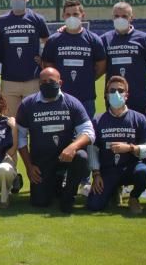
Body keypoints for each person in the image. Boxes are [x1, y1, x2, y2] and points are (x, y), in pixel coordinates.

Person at [15, 67, 94, 212]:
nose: (47, 84)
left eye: (51, 81)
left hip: (67, 157)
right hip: (42, 160)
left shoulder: (72, 103)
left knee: (81, 156)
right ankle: (56, 185)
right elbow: (20, 137)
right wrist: (29, 166)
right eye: (43, 81)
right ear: (38, 84)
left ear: (60, 82)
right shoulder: (28, 104)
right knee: (40, 202)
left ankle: (68, 197)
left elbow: (88, 132)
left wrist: (73, 147)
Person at [88, 76, 146, 214]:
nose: (116, 93)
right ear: (106, 95)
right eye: (112, 91)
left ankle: (134, 197)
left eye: (120, 90)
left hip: (131, 168)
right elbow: (93, 148)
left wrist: (131, 148)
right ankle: (113, 190)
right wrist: (96, 174)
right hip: (108, 170)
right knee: (94, 205)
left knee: (145, 173)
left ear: (127, 95)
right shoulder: (98, 120)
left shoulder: (138, 118)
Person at [0, 0, 50, 118]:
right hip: (9, 81)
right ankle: (14, 141)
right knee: (10, 121)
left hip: (32, 80)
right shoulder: (1, 21)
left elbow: (47, 41)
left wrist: (43, 59)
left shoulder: (37, 19)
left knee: (34, 119)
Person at [40, 0, 106, 117]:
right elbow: (48, 65)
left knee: (86, 132)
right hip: (60, 96)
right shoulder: (54, 40)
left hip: (86, 98)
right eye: (68, 14)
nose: (72, 17)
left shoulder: (93, 39)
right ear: (63, 16)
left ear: (82, 15)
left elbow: (101, 65)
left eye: (75, 14)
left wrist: (90, 77)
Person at [101, 2, 146, 116]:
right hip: (114, 96)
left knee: (138, 131)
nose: (120, 19)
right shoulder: (104, 39)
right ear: (112, 17)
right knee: (115, 131)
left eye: (124, 16)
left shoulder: (143, 39)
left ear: (131, 18)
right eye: (116, 16)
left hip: (139, 97)